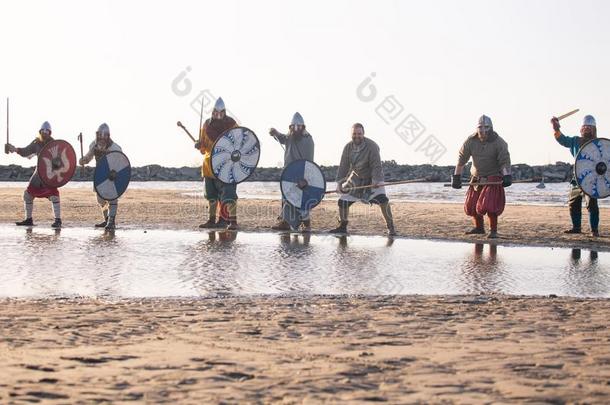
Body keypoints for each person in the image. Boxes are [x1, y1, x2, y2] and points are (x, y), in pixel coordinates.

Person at [329, 123, 395, 236]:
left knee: (383, 200)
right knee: (342, 202)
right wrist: (340, 183)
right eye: (354, 134)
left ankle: (391, 228)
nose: (357, 136)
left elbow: (376, 165)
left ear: (363, 134)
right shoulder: (348, 147)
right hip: (356, 178)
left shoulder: (372, 146)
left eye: (359, 134)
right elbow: (343, 166)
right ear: (351, 134)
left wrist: (375, 180)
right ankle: (342, 227)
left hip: (374, 177)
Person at [452, 115, 512, 239]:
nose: (483, 130)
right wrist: (456, 176)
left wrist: (506, 175)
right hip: (476, 176)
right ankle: (479, 228)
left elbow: (504, 161)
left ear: (491, 128)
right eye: (480, 127)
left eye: (486, 127)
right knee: (472, 205)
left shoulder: (499, 142)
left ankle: (493, 230)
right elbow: (461, 159)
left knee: (490, 204)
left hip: (493, 176)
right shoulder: (471, 141)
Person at [6, 121, 62, 228]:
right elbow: (25, 151)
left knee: (54, 196)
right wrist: (14, 149)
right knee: (28, 195)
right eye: (43, 131)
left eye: (47, 131)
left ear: (50, 132)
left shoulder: (54, 144)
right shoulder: (36, 143)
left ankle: (58, 220)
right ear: (40, 131)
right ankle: (28, 219)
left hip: (50, 175)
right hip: (38, 174)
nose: (45, 132)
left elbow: (60, 161)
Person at [551, 114, 600, 236]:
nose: (587, 129)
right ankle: (576, 227)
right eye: (585, 127)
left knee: (592, 205)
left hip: (592, 180)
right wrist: (556, 128)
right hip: (577, 179)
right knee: (573, 204)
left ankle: (594, 230)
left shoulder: (598, 144)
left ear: (594, 129)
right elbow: (562, 139)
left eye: (589, 127)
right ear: (581, 128)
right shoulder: (575, 141)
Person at [195, 97, 239, 230]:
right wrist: (199, 145)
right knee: (211, 195)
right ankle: (211, 220)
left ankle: (231, 221)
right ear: (212, 111)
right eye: (216, 112)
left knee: (229, 194)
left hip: (227, 165)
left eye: (221, 112)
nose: (218, 115)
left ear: (225, 112)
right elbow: (203, 148)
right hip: (209, 165)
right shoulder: (207, 124)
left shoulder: (232, 124)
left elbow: (238, 143)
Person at [269, 112, 315, 231]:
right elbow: (283, 138)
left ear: (303, 127)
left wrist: (306, 177)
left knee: (301, 199)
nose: (296, 129)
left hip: (301, 174)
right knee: (286, 198)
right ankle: (285, 222)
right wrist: (275, 133)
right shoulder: (290, 136)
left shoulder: (308, 140)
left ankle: (306, 224)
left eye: (298, 126)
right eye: (293, 127)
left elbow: (309, 162)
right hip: (289, 173)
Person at [79, 123, 123, 230]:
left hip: (112, 176)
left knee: (112, 198)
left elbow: (121, 162)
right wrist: (84, 160)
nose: (102, 138)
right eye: (100, 135)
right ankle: (106, 219)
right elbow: (89, 156)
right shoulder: (94, 146)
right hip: (100, 176)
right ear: (98, 135)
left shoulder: (115, 148)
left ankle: (111, 221)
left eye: (105, 136)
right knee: (100, 199)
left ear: (108, 136)